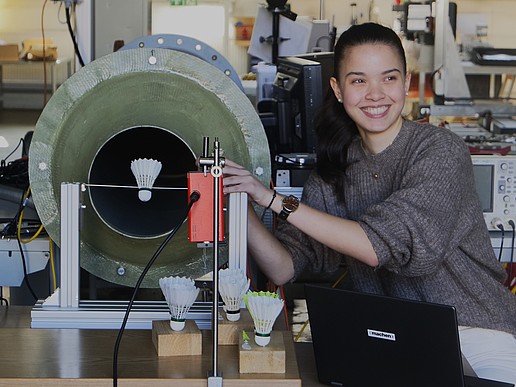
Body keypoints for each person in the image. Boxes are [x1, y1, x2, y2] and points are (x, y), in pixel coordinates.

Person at [223, 23, 516, 384]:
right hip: (394, 342)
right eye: (359, 81)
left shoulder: (439, 152)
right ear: (338, 88)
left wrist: (273, 199)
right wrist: (239, 197)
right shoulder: (336, 169)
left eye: (388, 78)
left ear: (406, 83)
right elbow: (284, 268)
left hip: (479, 336)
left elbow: (381, 246)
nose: (375, 94)